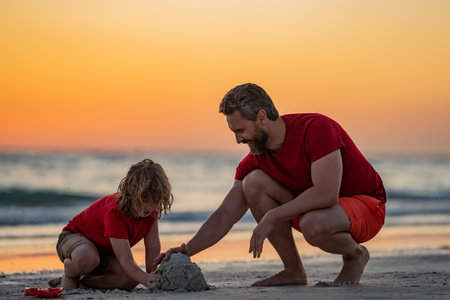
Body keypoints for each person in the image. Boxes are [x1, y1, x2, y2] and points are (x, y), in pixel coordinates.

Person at [156, 83, 386, 286]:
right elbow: (226, 213)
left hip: (366, 206)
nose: (238, 139)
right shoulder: (255, 160)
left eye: (240, 130)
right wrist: (188, 249)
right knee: (253, 183)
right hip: (314, 212)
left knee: (313, 223)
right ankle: (293, 271)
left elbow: (326, 194)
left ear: (262, 117)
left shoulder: (316, 128)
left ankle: (355, 255)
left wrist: (272, 216)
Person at [52, 158, 173, 290]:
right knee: (87, 258)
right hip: (73, 239)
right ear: (131, 193)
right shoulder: (116, 212)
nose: (149, 207)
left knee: (130, 279)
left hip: (103, 254)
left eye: (155, 201)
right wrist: (145, 279)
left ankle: (83, 282)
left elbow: (153, 245)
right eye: (144, 199)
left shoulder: (151, 212)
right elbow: (126, 260)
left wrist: (152, 276)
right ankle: (71, 273)